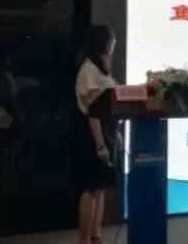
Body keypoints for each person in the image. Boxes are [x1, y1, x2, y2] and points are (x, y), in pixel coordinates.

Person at [75, 25, 117, 244]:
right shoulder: (89, 69)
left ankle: (96, 236)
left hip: (105, 132)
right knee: (90, 189)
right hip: (92, 135)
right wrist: (100, 144)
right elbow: (92, 112)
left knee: (99, 189)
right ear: (103, 43)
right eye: (112, 40)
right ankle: (84, 239)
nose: (114, 44)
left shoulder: (101, 68)